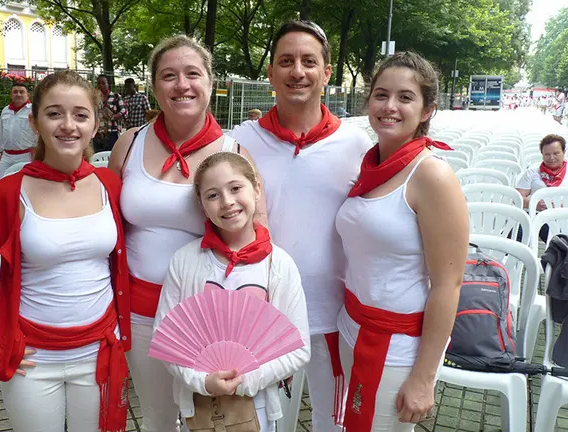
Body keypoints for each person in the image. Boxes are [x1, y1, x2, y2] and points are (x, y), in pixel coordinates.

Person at [0, 71, 131, 432]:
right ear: (35, 122)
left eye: (80, 115)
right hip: (32, 358)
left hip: (100, 350)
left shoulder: (110, 185)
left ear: (95, 125)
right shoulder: (4, 195)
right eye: (54, 113)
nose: (68, 125)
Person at [108, 35, 263, 432]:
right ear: (154, 86)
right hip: (141, 312)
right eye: (168, 76)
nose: (182, 85)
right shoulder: (128, 144)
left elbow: (255, 241)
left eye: (193, 74)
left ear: (210, 82)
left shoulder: (235, 152)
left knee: (212, 421)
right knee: (158, 418)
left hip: (208, 316)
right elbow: (106, 226)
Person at [230, 20, 373, 430]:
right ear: (271, 73)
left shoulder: (357, 146)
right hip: (260, 316)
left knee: (334, 424)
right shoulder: (240, 141)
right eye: (286, 61)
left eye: (309, 61)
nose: (298, 71)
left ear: (327, 73)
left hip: (332, 317)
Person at [336, 51, 467, 431]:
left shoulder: (432, 176)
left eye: (405, 97)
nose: (389, 106)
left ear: (427, 110)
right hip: (351, 327)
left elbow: (448, 283)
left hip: (395, 349)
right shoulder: (370, 165)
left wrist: (424, 377)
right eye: (381, 94)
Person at [154, 151, 310, 431]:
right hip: (199, 407)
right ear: (202, 205)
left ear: (257, 189)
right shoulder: (185, 261)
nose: (227, 202)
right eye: (212, 195)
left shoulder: (278, 265)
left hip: (259, 405)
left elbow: (299, 349)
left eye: (236, 188)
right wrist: (201, 381)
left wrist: (247, 380)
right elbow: (166, 341)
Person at [516, 134, 568, 211]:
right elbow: (517, 197)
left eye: (556, 153)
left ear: (564, 152)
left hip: (567, 216)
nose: (551, 158)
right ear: (542, 154)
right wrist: (532, 203)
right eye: (547, 154)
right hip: (536, 215)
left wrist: (560, 205)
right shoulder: (532, 172)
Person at [0, 83, 38, 180]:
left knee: (23, 182)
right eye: (15, 92)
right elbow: (0, 130)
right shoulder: (5, 110)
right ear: (11, 95)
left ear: (28, 95)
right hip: (7, 156)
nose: (18, 94)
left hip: (26, 156)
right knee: (1, 181)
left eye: (22, 92)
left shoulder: (33, 111)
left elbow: (39, 132)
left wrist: (38, 152)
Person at [95, 74, 127, 153]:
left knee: (110, 154)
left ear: (108, 84)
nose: (100, 85)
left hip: (112, 131)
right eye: (98, 83)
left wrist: (113, 117)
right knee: (98, 155)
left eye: (103, 83)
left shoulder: (115, 96)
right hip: (98, 133)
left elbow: (124, 111)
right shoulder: (95, 98)